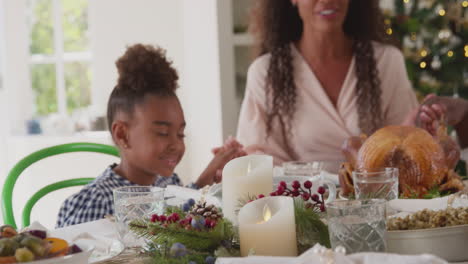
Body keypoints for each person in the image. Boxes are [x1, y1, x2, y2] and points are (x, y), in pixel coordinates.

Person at [56, 44, 244, 227]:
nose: (177, 145)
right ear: (122, 135)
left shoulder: (169, 183)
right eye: (163, 133)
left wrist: (206, 181)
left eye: (180, 134)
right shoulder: (96, 203)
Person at [236, 0, 419, 172]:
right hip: (302, 201)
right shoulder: (266, 72)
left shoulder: (387, 62)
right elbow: (260, 157)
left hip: (377, 200)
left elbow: (406, 146)